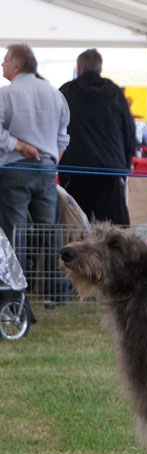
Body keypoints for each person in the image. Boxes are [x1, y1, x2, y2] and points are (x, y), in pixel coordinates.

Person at [0, 44, 70, 300]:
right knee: (50, 231)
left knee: (14, 232)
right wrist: (50, 160)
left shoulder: (5, 95)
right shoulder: (54, 94)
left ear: (16, 66)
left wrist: (19, 146)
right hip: (47, 171)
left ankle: (15, 292)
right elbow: (63, 138)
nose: (2, 64)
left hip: (14, 170)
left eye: (5, 60)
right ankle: (57, 292)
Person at [59, 48, 137, 226]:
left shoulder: (66, 92)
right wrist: (124, 166)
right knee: (113, 231)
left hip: (75, 171)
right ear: (99, 68)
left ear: (78, 68)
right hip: (110, 171)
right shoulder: (115, 93)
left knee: (75, 228)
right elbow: (129, 133)